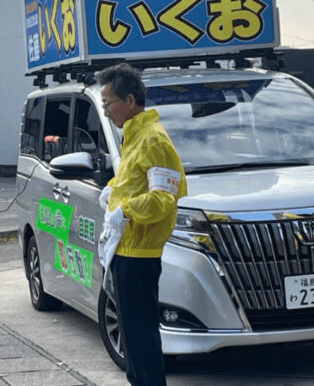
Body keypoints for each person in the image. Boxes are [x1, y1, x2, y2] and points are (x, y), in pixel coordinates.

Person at [96, 63, 186, 386]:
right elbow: (136, 180)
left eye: (108, 103)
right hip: (125, 247)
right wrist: (113, 191)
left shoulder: (152, 139)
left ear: (130, 100)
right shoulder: (132, 136)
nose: (106, 111)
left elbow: (163, 199)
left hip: (139, 252)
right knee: (131, 335)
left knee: (141, 336)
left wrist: (126, 210)